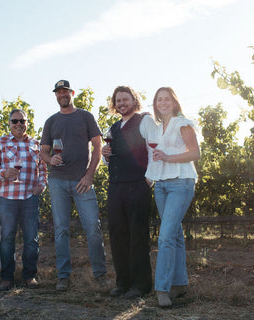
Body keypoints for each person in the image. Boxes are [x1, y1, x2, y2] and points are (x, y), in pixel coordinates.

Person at [40, 80, 108, 291]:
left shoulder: (85, 116)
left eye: (65, 91)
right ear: (56, 96)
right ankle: (63, 276)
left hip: (82, 181)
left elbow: (98, 147)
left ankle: (100, 274)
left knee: (93, 228)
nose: (62, 94)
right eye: (59, 92)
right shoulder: (51, 122)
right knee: (61, 230)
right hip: (58, 181)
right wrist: (50, 160)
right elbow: (43, 152)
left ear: (72, 93)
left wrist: (89, 175)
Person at [145, 87, 200, 307]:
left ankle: (162, 289)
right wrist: (150, 176)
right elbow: (156, 157)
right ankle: (180, 284)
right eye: (159, 99)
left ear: (174, 102)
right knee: (175, 234)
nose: (163, 102)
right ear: (155, 104)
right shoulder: (158, 129)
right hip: (162, 185)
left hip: (181, 182)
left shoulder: (182, 123)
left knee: (165, 236)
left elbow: (195, 153)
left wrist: (168, 157)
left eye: (167, 99)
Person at [101, 86, 157, 299]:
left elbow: (153, 150)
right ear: (115, 105)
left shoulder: (145, 121)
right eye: (118, 100)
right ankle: (122, 283)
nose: (122, 103)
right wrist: (106, 155)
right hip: (116, 187)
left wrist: (148, 180)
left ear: (134, 100)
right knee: (118, 235)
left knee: (138, 236)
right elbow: (110, 160)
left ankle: (141, 285)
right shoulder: (114, 127)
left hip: (137, 185)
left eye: (125, 99)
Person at [0, 109, 47, 291]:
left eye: (22, 121)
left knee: (32, 239)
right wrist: (3, 173)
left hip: (30, 197)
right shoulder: (1, 142)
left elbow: (43, 168)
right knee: (7, 238)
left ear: (27, 123)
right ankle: (7, 277)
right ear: (9, 123)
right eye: (15, 121)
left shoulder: (36, 144)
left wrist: (42, 184)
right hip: (8, 197)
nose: (19, 124)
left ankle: (29, 276)